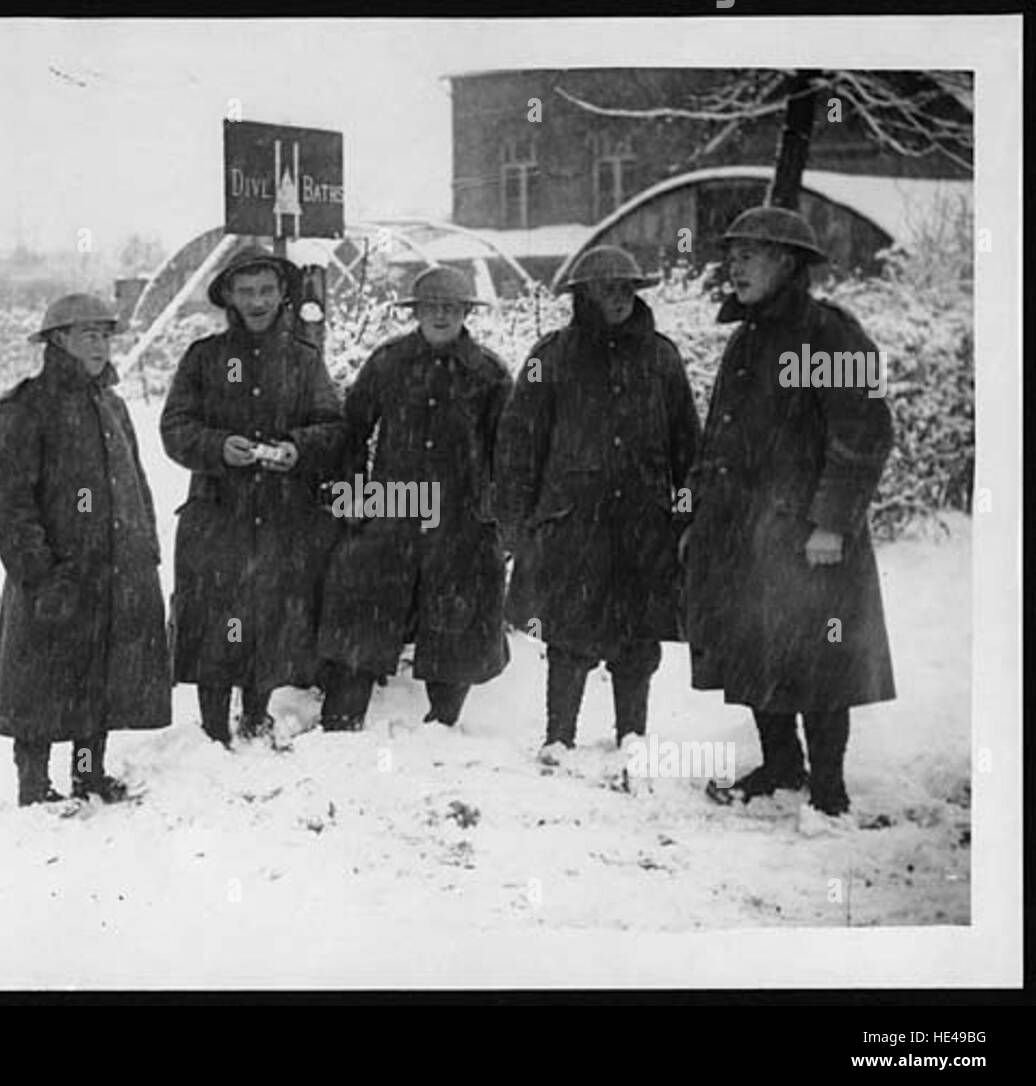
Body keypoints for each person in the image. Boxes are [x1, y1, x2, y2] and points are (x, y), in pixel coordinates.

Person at [682, 206, 896, 823]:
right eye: (733, 253)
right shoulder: (748, 339)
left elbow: (862, 433)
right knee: (754, 649)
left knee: (819, 657)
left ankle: (829, 789)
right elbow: (719, 437)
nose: (735, 265)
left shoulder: (829, 334)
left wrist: (832, 520)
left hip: (807, 534)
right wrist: (699, 515)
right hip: (743, 532)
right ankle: (781, 765)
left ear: (788, 262)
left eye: (751, 253)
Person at [496, 245, 699, 767]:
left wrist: (686, 518)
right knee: (568, 632)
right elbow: (519, 443)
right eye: (607, 288)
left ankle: (632, 736)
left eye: (627, 288)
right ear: (582, 294)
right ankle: (558, 738)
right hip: (570, 521)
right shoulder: (551, 357)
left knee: (637, 637)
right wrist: (515, 522)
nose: (618, 298)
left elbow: (687, 448)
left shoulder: (662, 357)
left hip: (643, 522)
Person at [0, 294, 173, 807]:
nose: (99, 343)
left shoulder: (112, 404)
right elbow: (7, 502)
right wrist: (40, 573)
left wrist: (145, 548)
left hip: (115, 569)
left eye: (104, 334)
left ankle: (89, 776)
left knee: (100, 682)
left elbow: (135, 482)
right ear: (57, 341)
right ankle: (34, 786)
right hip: (54, 574)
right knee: (41, 683)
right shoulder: (27, 408)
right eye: (86, 333)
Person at [161, 245, 344, 748]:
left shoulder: (304, 363)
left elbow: (331, 427)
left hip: (282, 515)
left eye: (267, 290)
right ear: (229, 298)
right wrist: (219, 447)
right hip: (218, 515)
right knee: (220, 617)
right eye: (246, 291)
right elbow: (175, 428)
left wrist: (296, 449)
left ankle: (257, 714)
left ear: (284, 293)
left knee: (268, 614)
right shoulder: (205, 358)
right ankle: (214, 726)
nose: (258, 301)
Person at [317, 265, 511, 732]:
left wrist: (492, 513)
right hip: (393, 506)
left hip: (458, 514)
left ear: (467, 312)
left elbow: (507, 451)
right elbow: (352, 432)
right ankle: (341, 723)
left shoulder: (487, 373)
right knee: (363, 609)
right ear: (417, 312)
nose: (441, 316)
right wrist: (355, 500)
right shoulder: (389, 362)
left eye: (452, 308)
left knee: (454, 619)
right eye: (432, 307)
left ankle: (440, 727)